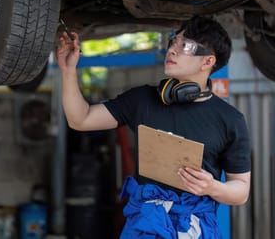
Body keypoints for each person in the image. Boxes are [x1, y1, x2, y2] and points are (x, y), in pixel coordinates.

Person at [56, 16, 251, 238]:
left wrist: (212, 187)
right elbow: (80, 119)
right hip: (145, 225)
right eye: (173, 42)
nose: (173, 50)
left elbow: (241, 191)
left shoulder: (230, 120)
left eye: (185, 46)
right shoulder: (142, 100)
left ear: (207, 62)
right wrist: (68, 71)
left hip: (195, 228)